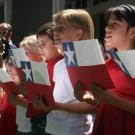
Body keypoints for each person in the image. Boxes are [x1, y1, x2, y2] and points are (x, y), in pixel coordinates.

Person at [33, 9, 97, 135]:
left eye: (61, 29)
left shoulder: (88, 63)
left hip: (75, 131)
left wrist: (56, 106)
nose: (55, 33)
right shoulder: (59, 64)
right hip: (52, 128)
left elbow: (94, 106)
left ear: (78, 34)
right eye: (54, 29)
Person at [75, 4, 135, 135]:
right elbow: (106, 104)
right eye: (108, 24)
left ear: (132, 32)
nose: (107, 28)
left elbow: (113, 100)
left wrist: (113, 100)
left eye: (115, 25)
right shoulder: (107, 65)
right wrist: (90, 99)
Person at [0, 55, 17, 135]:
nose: (8, 69)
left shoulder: (25, 88)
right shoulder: (7, 86)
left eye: (11, 64)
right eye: (6, 64)